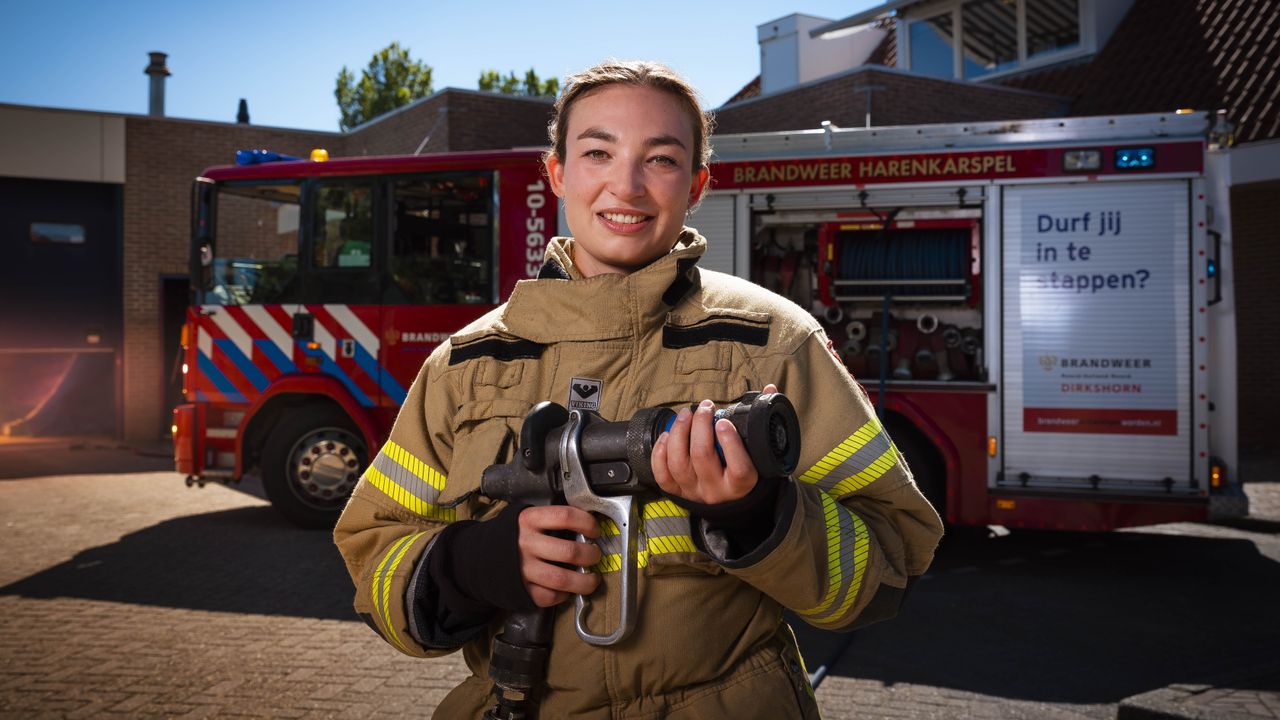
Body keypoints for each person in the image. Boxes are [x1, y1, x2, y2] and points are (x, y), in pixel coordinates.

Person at [334, 59, 943, 719]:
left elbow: (889, 566)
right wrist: (470, 566)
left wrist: (759, 518)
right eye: (598, 152)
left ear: (697, 183)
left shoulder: (775, 344)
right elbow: (375, 562)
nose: (625, 186)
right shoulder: (466, 364)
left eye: (660, 159)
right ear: (557, 172)